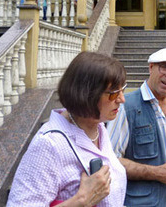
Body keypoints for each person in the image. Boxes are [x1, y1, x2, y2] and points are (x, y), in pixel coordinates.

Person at [7, 52, 127, 206]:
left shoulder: (98, 128)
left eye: (123, 89)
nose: (122, 99)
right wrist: (81, 201)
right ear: (87, 94)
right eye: (113, 93)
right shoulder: (49, 144)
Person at [107, 47, 166, 207]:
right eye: (165, 67)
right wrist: (157, 173)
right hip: (142, 201)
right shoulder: (127, 106)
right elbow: (110, 161)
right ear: (151, 67)